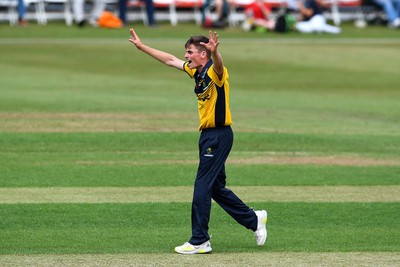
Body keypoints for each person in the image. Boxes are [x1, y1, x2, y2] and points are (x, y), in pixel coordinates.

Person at [128, 29, 268, 254]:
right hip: (207, 136)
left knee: (202, 186)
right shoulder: (197, 73)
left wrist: (216, 53)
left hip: (219, 135)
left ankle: (200, 240)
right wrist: (142, 47)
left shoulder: (214, 71)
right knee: (215, 188)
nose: (186, 56)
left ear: (203, 54)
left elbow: (220, 66)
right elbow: (170, 60)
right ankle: (253, 219)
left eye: (190, 52)